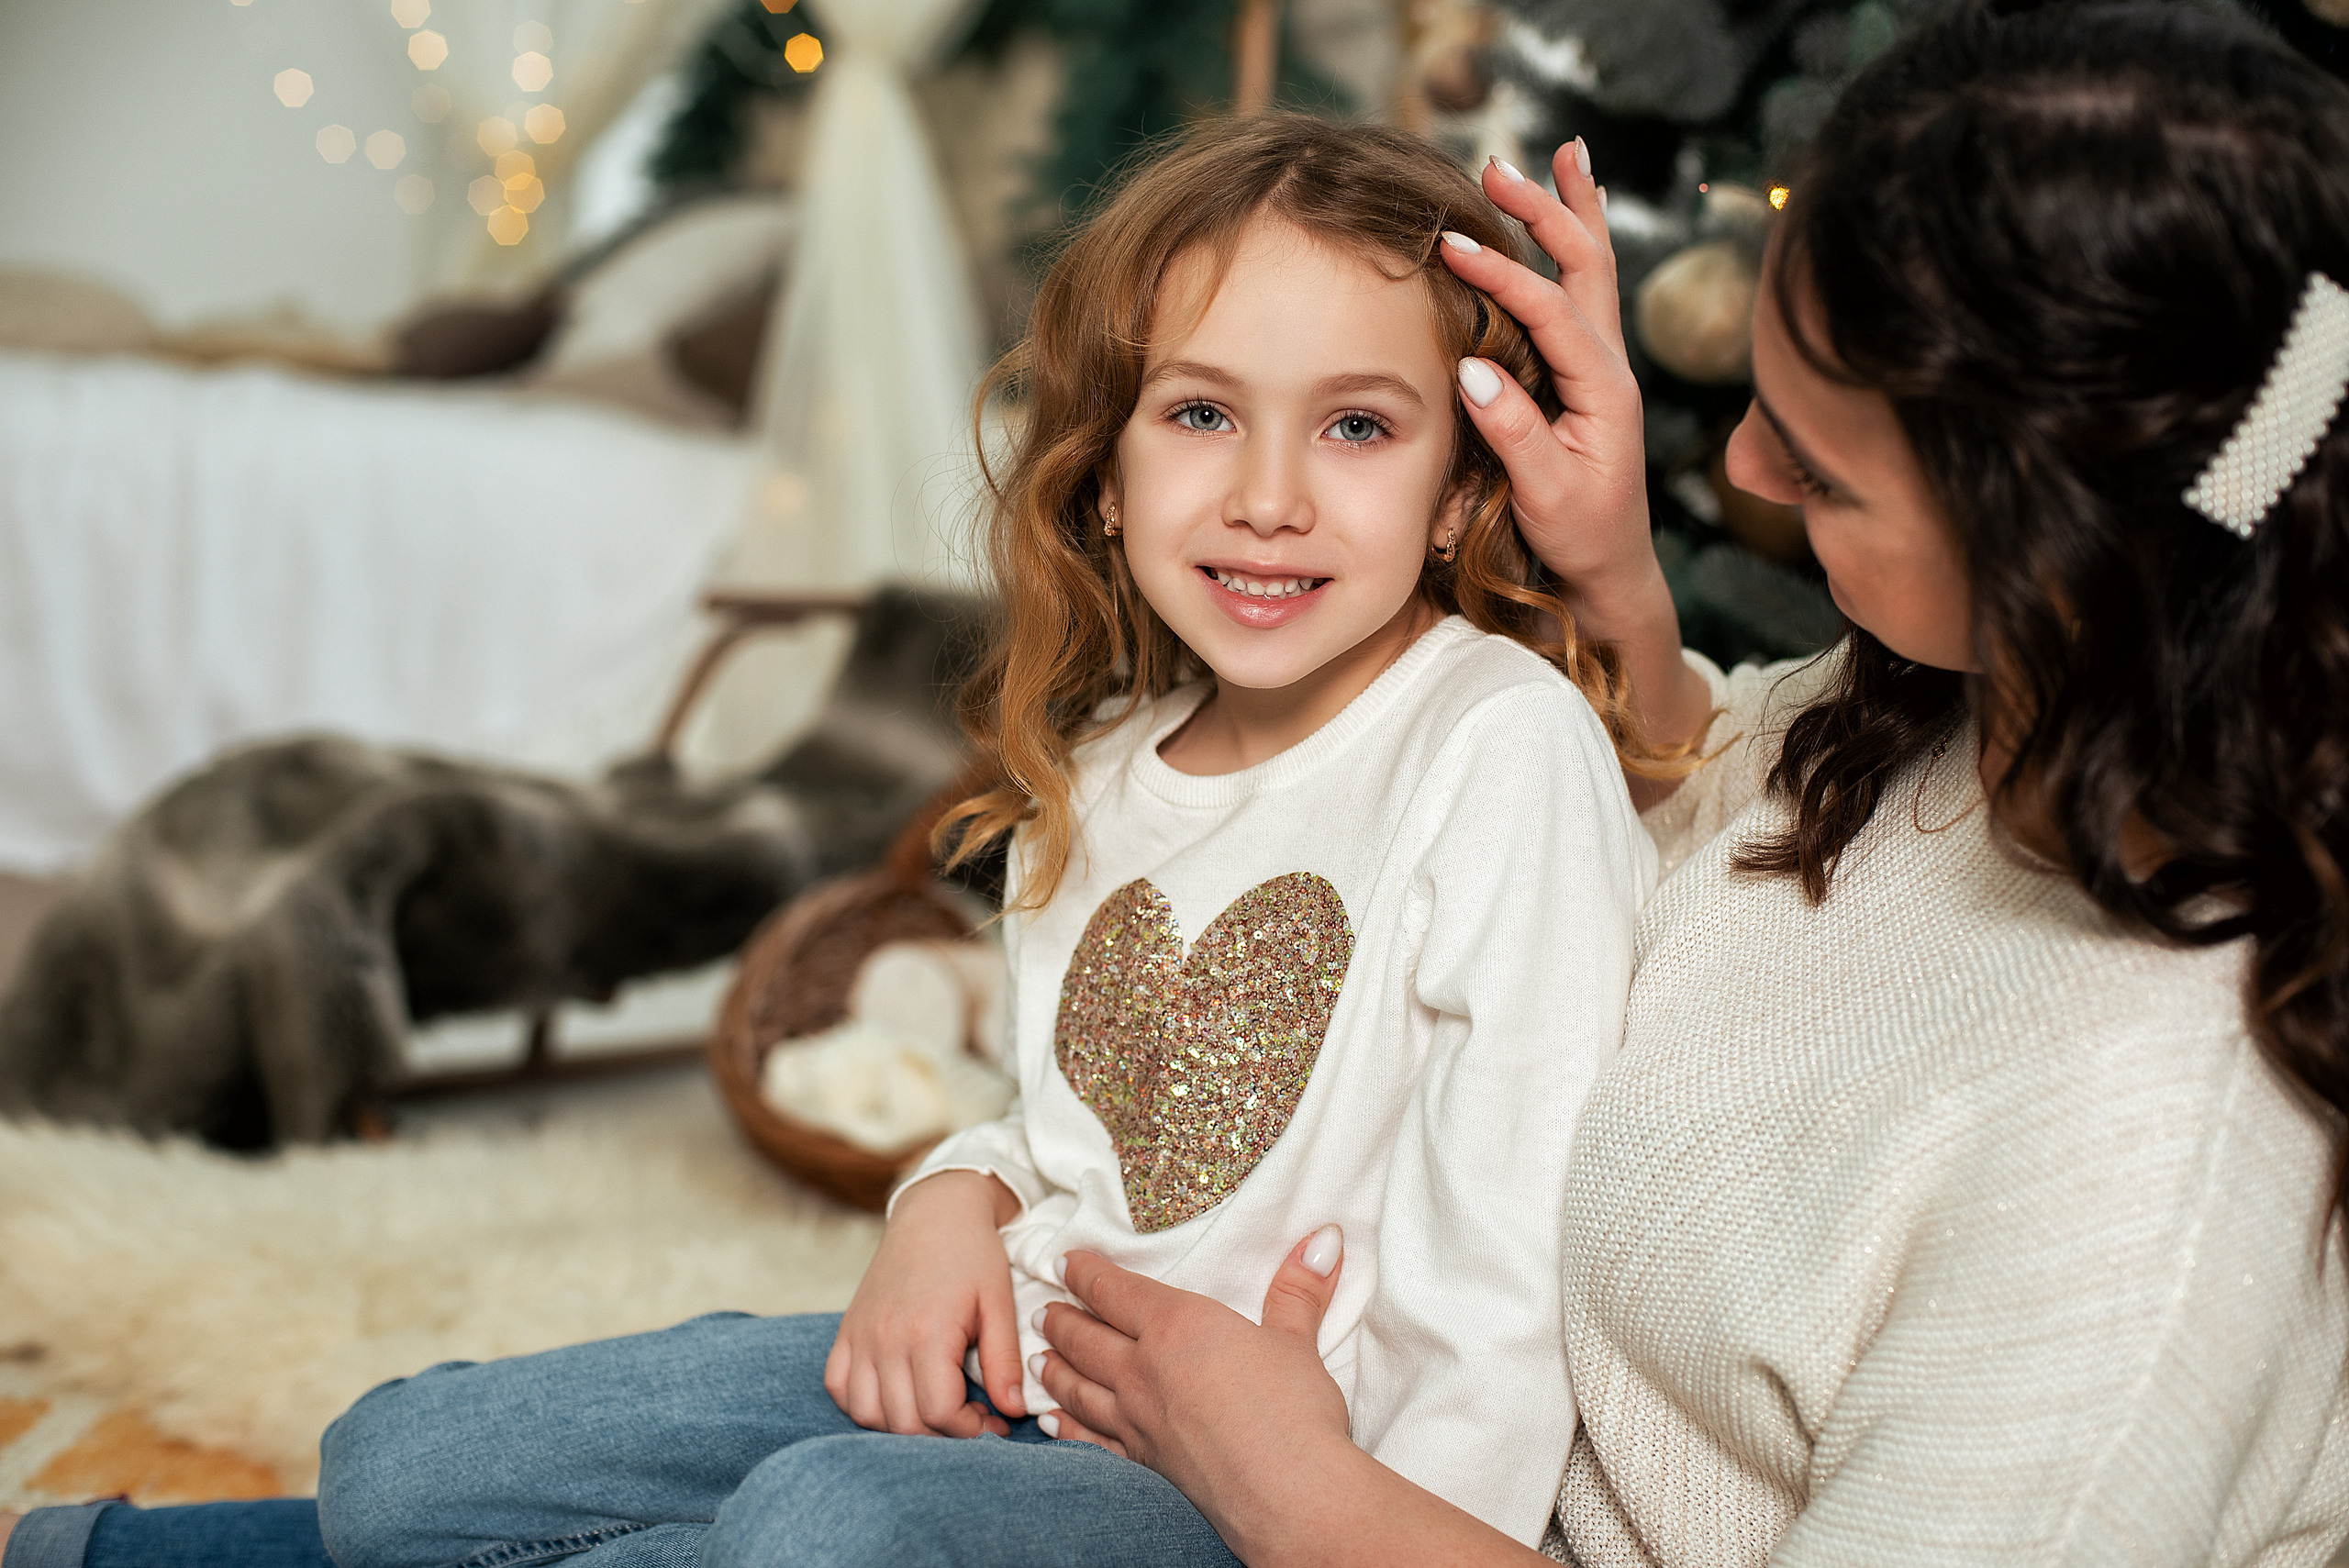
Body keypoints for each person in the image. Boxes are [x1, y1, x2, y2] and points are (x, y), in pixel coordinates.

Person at [0, 116, 1658, 1568]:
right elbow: (1071, 1138)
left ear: (1461, 487)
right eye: (1203, 415)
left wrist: (1350, 1521)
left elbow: (1513, 1273)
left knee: (820, 1527)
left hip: (1271, 1488)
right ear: (1100, 474)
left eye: (1358, 427)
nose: (1272, 496)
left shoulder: (1495, 746)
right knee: (394, 1463)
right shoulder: (1105, 762)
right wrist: (944, 1197)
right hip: (1021, 1369)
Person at [1014, 2, 2349, 1563]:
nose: (1747, 479)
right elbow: (1706, 803)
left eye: (1820, 463)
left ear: (2054, 545)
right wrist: (1618, 581)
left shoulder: (2148, 1181)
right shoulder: (1959, 713)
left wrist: (1292, 1482)